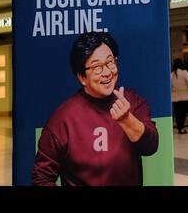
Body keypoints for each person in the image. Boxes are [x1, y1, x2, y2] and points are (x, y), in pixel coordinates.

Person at [33, 30, 160, 186]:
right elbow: (41, 177)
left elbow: (151, 146)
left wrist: (127, 119)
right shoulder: (63, 118)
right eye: (97, 67)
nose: (107, 72)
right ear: (82, 77)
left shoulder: (132, 101)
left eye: (110, 62)